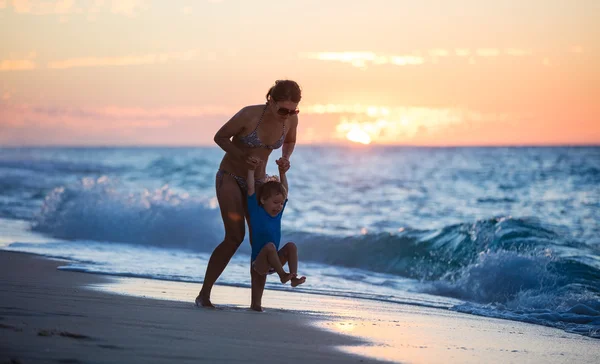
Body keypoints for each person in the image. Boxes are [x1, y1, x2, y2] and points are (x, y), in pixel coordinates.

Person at [195, 80, 301, 309]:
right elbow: (220, 137)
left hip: (259, 180)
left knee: (262, 241)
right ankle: (204, 295)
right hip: (231, 176)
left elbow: (290, 141)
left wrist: (286, 157)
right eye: (283, 109)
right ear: (270, 101)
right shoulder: (249, 115)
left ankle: (256, 304)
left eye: (293, 110)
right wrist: (242, 157)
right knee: (234, 236)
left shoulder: (291, 118)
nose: (288, 115)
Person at [246, 159, 306, 304]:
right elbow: (250, 189)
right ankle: (282, 275)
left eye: (281, 203)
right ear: (263, 200)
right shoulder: (256, 211)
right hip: (258, 263)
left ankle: (293, 277)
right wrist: (251, 170)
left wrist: (282, 172)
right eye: (275, 203)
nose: (279, 206)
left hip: (275, 262)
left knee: (291, 246)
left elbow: (285, 189)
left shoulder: (278, 213)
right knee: (270, 247)